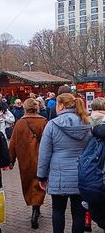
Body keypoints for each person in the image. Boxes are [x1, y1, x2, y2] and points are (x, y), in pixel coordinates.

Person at [37, 93, 91, 233]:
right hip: (81, 174)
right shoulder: (86, 123)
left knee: (58, 210)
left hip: (59, 175)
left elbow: (44, 154)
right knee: (79, 213)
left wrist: (41, 176)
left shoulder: (52, 125)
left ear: (61, 105)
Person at [9, 98, 47, 229]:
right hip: (41, 159)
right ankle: (36, 209)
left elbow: (12, 143)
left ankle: (34, 208)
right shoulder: (43, 122)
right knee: (39, 183)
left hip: (24, 160)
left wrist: (11, 160)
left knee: (28, 184)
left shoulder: (20, 123)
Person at [86, 97, 105, 230]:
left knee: (88, 196)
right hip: (102, 163)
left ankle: (88, 221)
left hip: (88, 162)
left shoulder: (85, 120)